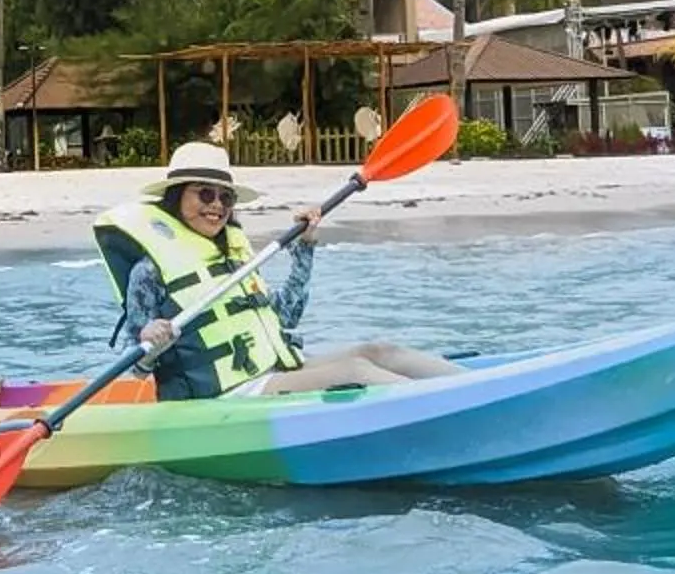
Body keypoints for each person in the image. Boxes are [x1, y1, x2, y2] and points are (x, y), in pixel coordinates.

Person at [92, 141, 453, 402]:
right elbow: (137, 369)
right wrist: (152, 341)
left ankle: (486, 387)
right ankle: (448, 409)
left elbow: (285, 317)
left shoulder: (233, 250)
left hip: (273, 368)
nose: (216, 206)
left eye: (225, 197)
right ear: (177, 197)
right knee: (356, 374)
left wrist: (305, 250)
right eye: (204, 195)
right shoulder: (148, 270)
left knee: (378, 351)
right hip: (225, 395)